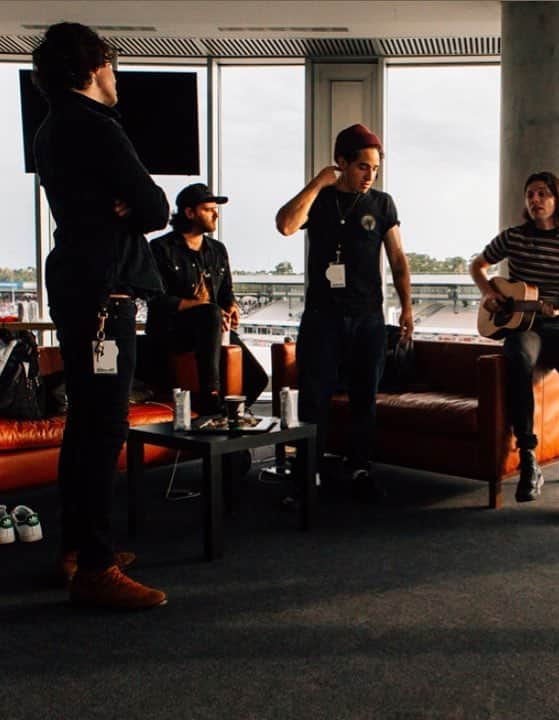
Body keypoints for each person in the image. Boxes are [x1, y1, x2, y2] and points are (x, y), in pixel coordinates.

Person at [32, 22, 168, 607]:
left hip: (78, 281)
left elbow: (132, 205)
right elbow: (157, 206)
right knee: (103, 427)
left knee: (85, 425)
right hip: (103, 292)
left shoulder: (50, 128)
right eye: (112, 66)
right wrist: (129, 208)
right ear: (91, 69)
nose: (117, 78)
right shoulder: (96, 126)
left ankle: (77, 549)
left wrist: (122, 208)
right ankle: (94, 567)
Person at [275, 123, 413, 501]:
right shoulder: (318, 200)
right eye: (362, 167)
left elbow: (398, 259)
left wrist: (407, 308)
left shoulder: (382, 204)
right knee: (314, 399)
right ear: (341, 162)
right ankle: (307, 478)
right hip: (322, 317)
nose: (370, 175)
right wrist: (317, 183)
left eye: (375, 169)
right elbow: (285, 225)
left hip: (368, 317)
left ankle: (360, 471)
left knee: (364, 397)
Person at [470, 171, 559, 521]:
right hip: (523, 327)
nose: (535, 200)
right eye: (530, 194)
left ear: (558, 200)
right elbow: (477, 265)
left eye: (542, 194)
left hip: (558, 322)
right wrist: (491, 294)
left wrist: (558, 306)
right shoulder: (513, 238)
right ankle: (528, 458)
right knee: (518, 356)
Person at [146, 183, 269, 413]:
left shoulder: (218, 250)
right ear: (189, 212)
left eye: (216, 209)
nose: (216, 214)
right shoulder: (161, 248)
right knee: (210, 311)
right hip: (174, 332)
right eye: (208, 209)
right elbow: (155, 299)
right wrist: (201, 307)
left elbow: (225, 293)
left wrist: (231, 306)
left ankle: (226, 419)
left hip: (213, 330)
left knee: (258, 379)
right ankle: (210, 395)